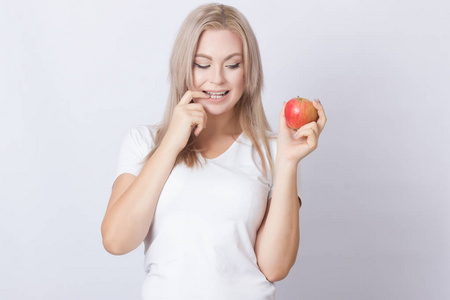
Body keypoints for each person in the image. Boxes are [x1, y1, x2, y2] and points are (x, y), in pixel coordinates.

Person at [101, 3, 326, 300]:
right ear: (184, 67)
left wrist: (287, 162)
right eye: (202, 64)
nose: (217, 79)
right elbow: (117, 241)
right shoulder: (144, 142)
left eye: (232, 65)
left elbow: (274, 267)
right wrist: (171, 143)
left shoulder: (275, 150)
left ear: (249, 72)